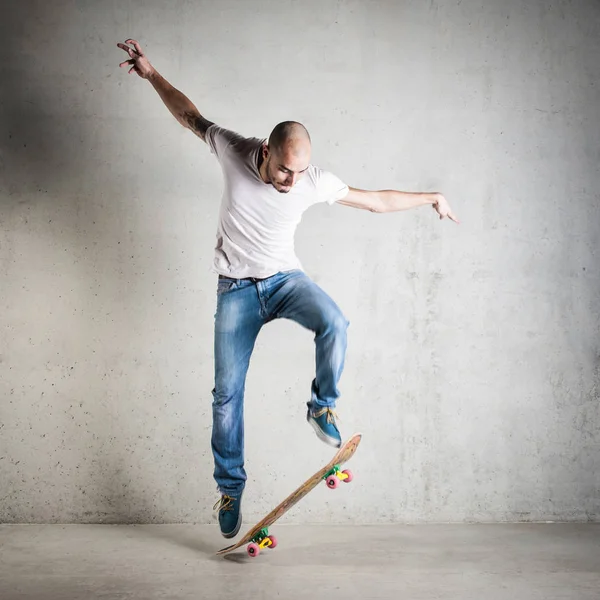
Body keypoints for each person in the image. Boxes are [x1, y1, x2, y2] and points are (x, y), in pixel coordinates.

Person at [118, 39, 459, 539]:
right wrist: (151, 75)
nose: (291, 181)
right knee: (226, 395)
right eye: (283, 169)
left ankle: (322, 405)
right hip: (235, 290)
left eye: (299, 172)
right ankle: (230, 489)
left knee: (335, 322)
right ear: (264, 152)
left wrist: (431, 196)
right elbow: (189, 115)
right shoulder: (233, 148)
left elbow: (375, 200)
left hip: (284, 281)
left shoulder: (311, 181)